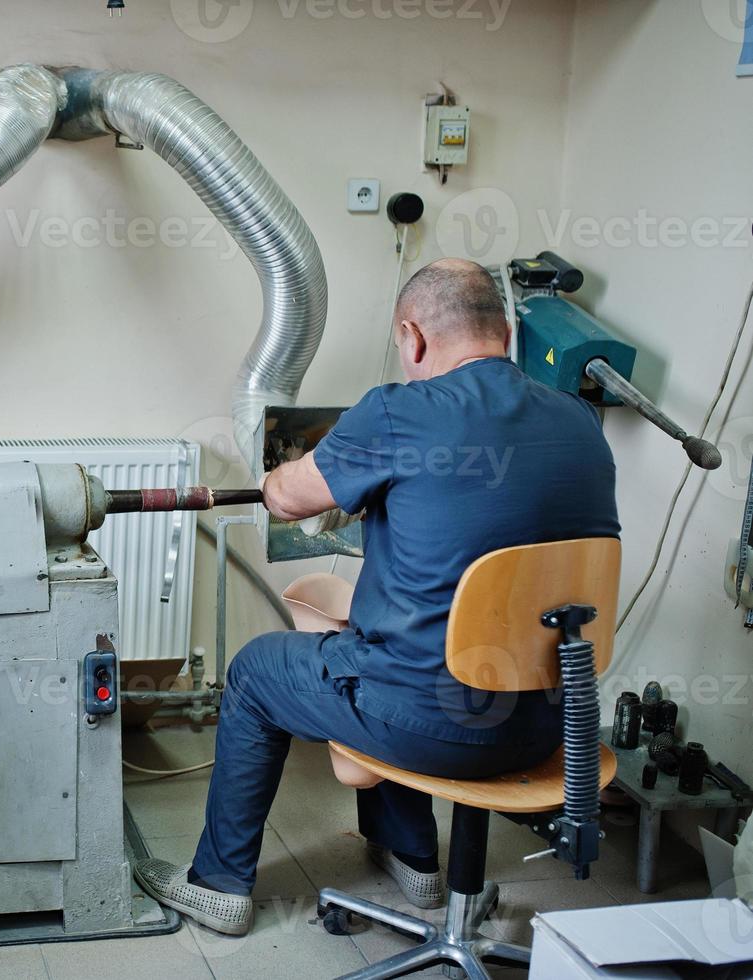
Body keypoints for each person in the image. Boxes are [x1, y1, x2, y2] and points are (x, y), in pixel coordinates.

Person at [135, 259, 619, 935]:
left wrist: (308, 478)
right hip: (550, 728)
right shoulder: (576, 422)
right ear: (504, 333)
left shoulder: (398, 410)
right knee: (401, 650)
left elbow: (284, 496)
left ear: (411, 336)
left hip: (438, 728)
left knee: (256, 670)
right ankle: (414, 857)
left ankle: (217, 886)